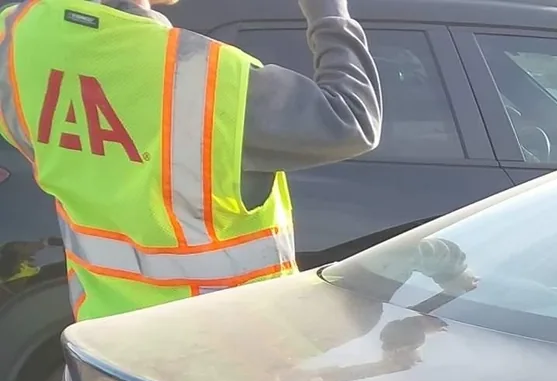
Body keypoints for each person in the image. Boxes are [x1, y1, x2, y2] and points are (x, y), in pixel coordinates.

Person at [0, 0, 381, 319]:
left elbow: (25, 130)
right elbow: (352, 120)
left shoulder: (15, 34)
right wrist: (330, 14)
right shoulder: (209, 75)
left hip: (103, 341)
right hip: (219, 350)